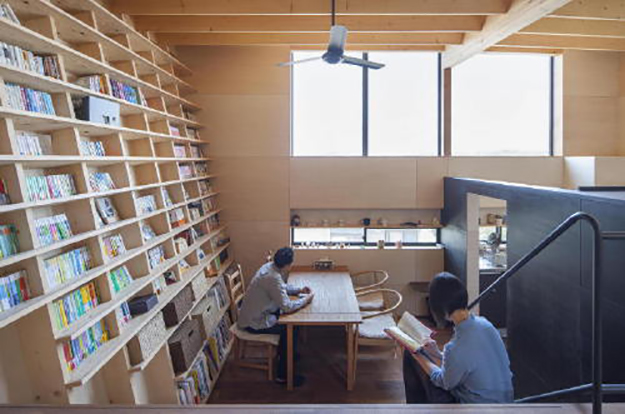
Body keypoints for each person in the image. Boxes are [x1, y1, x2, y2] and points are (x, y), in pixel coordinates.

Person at [403, 272, 513, 404]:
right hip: (505, 403)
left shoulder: (455, 347)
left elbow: (443, 381)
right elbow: (468, 362)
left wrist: (418, 356)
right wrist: (437, 353)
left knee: (410, 356)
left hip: (477, 408)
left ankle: (415, 409)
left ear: (438, 308)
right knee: (423, 357)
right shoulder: (486, 325)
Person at [237, 247, 314, 385]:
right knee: (290, 329)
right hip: (253, 322)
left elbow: (281, 287)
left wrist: (299, 290)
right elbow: (287, 306)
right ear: (287, 264)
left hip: (255, 312)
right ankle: (283, 374)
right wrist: (306, 300)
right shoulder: (272, 277)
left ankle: (289, 355)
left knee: (291, 325)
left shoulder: (269, 267)